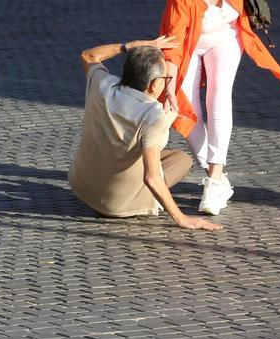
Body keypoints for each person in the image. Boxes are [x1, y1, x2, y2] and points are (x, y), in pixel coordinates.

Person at [159, 0, 280, 215]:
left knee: (217, 97)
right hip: (191, 43)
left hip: (226, 37)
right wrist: (168, 82)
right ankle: (215, 173)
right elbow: (173, 39)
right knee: (183, 101)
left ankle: (214, 178)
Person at [69, 36, 222, 231]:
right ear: (153, 84)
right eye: (165, 79)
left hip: (82, 185)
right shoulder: (152, 115)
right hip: (115, 205)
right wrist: (182, 219)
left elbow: (88, 55)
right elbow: (151, 176)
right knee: (182, 160)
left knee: (167, 156)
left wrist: (129, 46)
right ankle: (135, 201)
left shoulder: (104, 84)